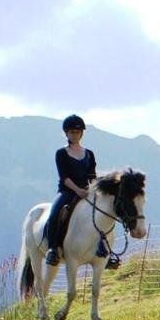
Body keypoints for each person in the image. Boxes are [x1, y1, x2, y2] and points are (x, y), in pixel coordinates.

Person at [46, 114, 112, 268]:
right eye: (71, 132)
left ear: (81, 133)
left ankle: (105, 251)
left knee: (103, 213)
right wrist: (77, 190)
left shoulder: (89, 154)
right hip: (68, 191)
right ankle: (52, 249)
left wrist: (94, 190)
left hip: (87, 191)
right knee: (55, 213)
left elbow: (92, 176)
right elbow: (64, 177)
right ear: (66, 133)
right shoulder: (61, 153)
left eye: (77, 132)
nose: (74, 135)